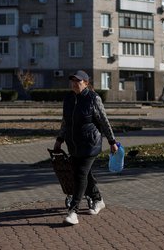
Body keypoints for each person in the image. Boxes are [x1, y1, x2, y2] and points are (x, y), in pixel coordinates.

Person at [53, 70, 118, 226]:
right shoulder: (68, 98)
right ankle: (98, 200)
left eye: (78, 81)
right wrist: (59, 139)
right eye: (73, 81)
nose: (75, 83)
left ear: (86, 83)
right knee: (84, 174)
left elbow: (104, 121)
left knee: (80, 175)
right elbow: (65, 121)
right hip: (73, 143)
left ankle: (73, 212)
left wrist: (112, 141)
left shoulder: (93, 99)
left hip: (90, 143)